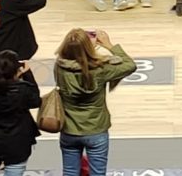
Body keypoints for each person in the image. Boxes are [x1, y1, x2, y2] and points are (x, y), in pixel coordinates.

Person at [55, 29, 137, 176]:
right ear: (88, 48)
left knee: (69, 172)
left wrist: (84, 47)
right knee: (98, 173)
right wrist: (109, 45)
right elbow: (129, 65)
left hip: (69, 130)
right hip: (96, 130)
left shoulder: (59, 67)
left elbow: (76, 59)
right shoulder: (100, 69)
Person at [0, 50, 41, 176]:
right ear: (16, 70)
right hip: (17, 146)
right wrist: (27, 75)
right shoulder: (23, 90)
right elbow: (36, 101)